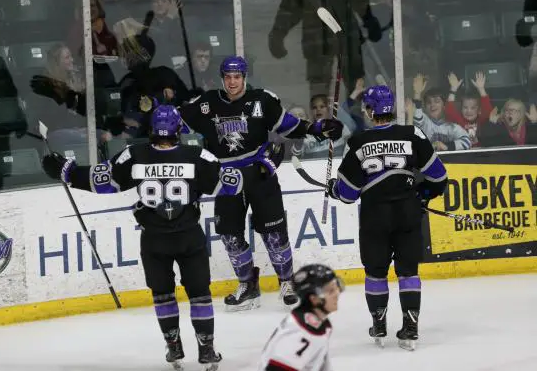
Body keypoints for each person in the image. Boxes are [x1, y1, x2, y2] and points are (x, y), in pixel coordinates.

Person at [42, 105, 244, 370]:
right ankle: (206, 349)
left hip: (154, 240)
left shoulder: (133, 155)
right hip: (189, 237)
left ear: (151, 130)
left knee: (162, 295)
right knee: (200, 294)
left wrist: (67, 170)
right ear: (178, 130)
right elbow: (232, 184)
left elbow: (101, 180)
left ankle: (174, 347)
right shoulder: (198, 156)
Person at [177, 55, 344, 311]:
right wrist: (154, 111)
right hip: (226, 179)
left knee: (274, 232)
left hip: (259, 174)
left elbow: (288, 125)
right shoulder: (206, 103)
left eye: (237, 77)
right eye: (228, 77)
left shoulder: (262, 100)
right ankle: (247, 285)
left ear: (244, 77)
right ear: (222, 78)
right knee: (230, 235)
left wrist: (317, 128)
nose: (232, 82)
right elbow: (175, 121)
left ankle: (286, 282)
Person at [324, 85, 448, 350]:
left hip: (374, 217)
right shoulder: (412, 134)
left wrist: (334, 188)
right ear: (391, 108)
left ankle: (379, 324)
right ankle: (411, 326)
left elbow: (347, 194)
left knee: (376, 272)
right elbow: (439, 178)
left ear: (369, 110)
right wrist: (422, 196)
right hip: (407, 213)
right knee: (408, 272)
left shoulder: (357, 142)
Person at [256, 264, 343, 371]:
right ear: (314, 299)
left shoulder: (319, 323)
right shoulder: (300, 331)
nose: (337, 293)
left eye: (337, 288)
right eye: (331, 291)